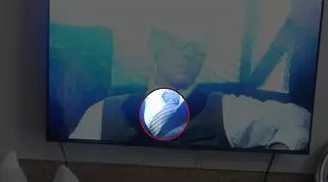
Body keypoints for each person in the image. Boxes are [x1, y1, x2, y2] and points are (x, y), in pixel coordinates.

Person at [69, 19, 313, 151]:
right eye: (178, 42)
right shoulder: (103, 113)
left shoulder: (226, 110)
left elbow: (298, 118)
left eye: (198, 47)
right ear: (155, 43)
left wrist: (280, 148)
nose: (188, 54)